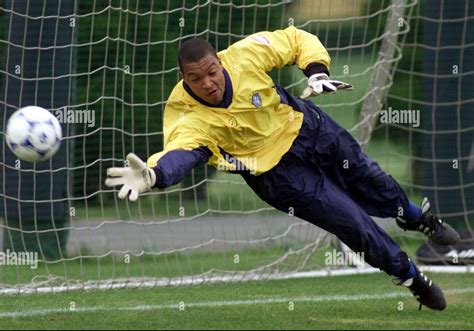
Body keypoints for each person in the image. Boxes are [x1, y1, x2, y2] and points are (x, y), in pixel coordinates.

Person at [105, 26, 461, 310]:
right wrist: (154, 173)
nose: (208, 83)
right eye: (196, 79)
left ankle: (417, 218)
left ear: (220, 62)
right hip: (276, 175)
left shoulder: (244, 55)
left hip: (308, 128)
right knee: (352, 223)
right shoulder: (185, 111)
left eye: (211, 72)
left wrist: (317, 72)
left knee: (373, 180)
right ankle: (412, 277)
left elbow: (294, 40)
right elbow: (182, 150)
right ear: (184, 78)